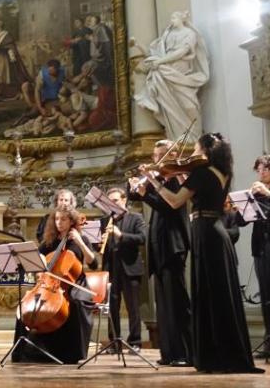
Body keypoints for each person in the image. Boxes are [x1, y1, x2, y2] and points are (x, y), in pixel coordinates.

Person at [144, 133, 263, 373]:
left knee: (208, 293)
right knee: (221, 295)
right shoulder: (221, 172)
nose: (193, 154)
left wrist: (154, 182)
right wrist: (182, 174)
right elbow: (202, 190)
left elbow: (176, 201)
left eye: (197, 149)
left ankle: (213, 355)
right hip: (215, 231)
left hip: (205, 233)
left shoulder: (201, 173)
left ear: (206, 151)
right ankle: (227, 353)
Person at [129, 140, 191, 366]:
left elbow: (168, 207)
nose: (156, 161)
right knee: (164, 306)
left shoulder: (176, 180)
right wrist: (136, 186)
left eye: (160, 156)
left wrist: (148, 191)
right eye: (155, 156)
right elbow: (133, 196)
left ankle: (184, 353)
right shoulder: (162, 181)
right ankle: (170, 353)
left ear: (172, 155)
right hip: (160, 249)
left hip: (173, 246)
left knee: (177, 303)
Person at [12, 207, 96, 364]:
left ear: (71, 221)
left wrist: (79, 241)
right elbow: (38, 254)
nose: (59, 223)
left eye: (63, 219)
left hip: (76, 284)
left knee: (76, 305)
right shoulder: (50, 240)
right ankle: (24, 351)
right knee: (25, 306)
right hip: (51, 285)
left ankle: (71, 354)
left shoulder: (81, 239)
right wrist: (41, 260)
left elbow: (93, 262)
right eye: (57, 219)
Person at [134, 11, 209, 140]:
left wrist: (160, 61)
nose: (171, 20)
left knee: (189, 105)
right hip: (166, 73)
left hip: (182, 75)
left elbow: (182, 52)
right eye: (171, 18)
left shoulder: (189, 34)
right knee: (169, 108)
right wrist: (137, 45)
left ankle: (195, 138)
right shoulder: (167, 35)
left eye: (174, 17)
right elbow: (154, 53)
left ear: (181, 19)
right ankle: (178, 138)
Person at [101, 187, 146, 351]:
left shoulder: (136, 217)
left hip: (130, 268)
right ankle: (114, 342)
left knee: (133, 307)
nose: (113, 204)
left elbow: (142, 238)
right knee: (112, 307)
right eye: (110, 202)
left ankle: (135, 342)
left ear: (124, 200)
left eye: (116, 201)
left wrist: (121, 235)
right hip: (112, 268)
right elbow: (101, 245)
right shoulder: (105, 220)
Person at [237, 155, 270, 357]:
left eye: (265, 168)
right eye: (258, 169)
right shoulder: (257, 195)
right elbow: (242, 222)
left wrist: (267, 192)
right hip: (260, 247)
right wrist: (244, 203)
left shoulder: (265, 192)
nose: (261, 172)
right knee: (265, 297)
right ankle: (268, 343)